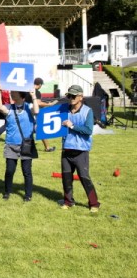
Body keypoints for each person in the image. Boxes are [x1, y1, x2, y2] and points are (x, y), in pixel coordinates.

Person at [60, 85, 100, 213]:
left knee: (84, 177)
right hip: (66, 150)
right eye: (69, 96)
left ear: (81, 97)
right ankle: (68, 201)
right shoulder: (64, 109)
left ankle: (94, 204)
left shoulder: (88, 111)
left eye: (73, 96)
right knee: (66, 178)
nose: (70, 98)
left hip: (81, 151)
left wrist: (72, 126)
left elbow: (88, 130)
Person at [0, 86, 39, 202]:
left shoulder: (29, 106)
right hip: (11, 143)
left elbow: (36, 111)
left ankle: (28, 195)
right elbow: (0, 108)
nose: (11, 93)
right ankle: (7, 191)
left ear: (21, 94)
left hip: (26, 144)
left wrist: (34, 96)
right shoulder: (10, 107)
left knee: (27, 171)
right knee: (10, 170)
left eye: (14, 92)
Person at [32, 78, 57, 152]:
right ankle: (47, 148)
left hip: (25, 111)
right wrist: (49, 104)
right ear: (39, 84)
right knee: (40, 129)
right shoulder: (37, 92)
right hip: (33, 112)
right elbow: (38, 103)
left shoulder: (28, 90)